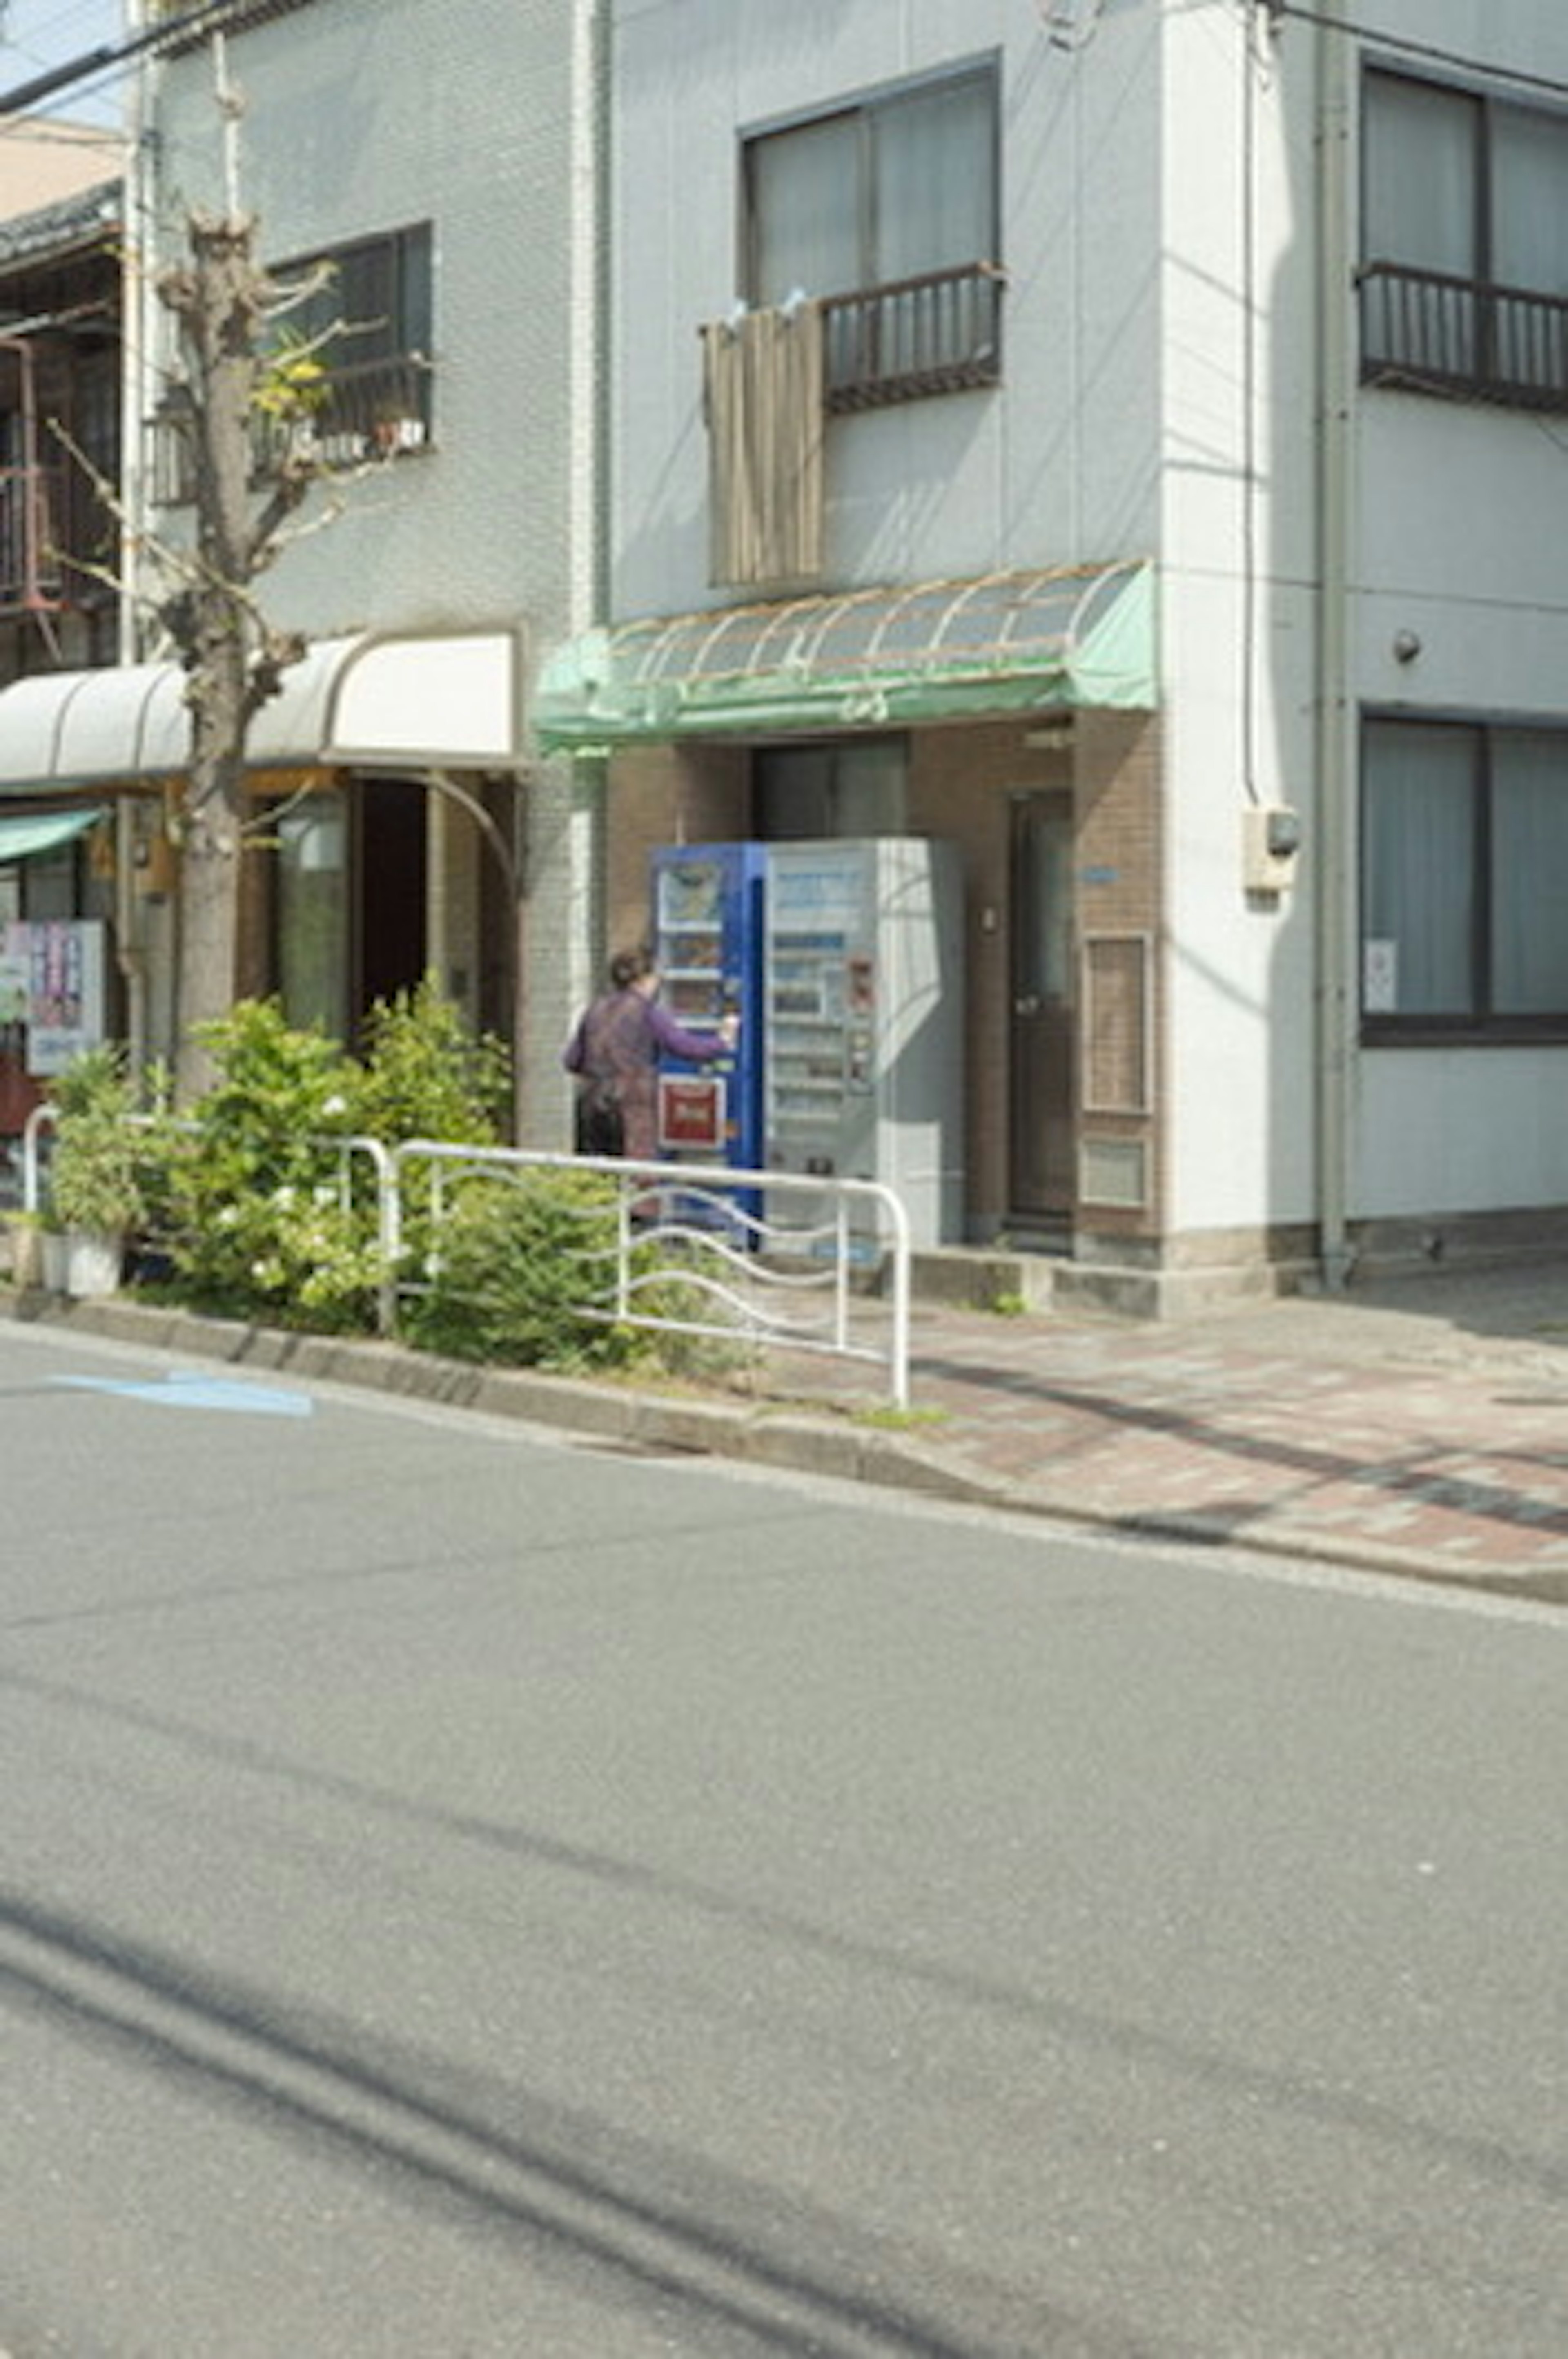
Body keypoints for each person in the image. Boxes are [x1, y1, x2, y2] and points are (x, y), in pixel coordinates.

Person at [563, 945, 737, 1160]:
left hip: (591, 1106)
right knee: (637, 1177)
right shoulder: (647, 1011)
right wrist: (723, 1040)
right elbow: (684, 1046)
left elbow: (572, 1061)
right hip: (631, 1108)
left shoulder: (595, 1009)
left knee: (597, 1178)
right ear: (645, 979)